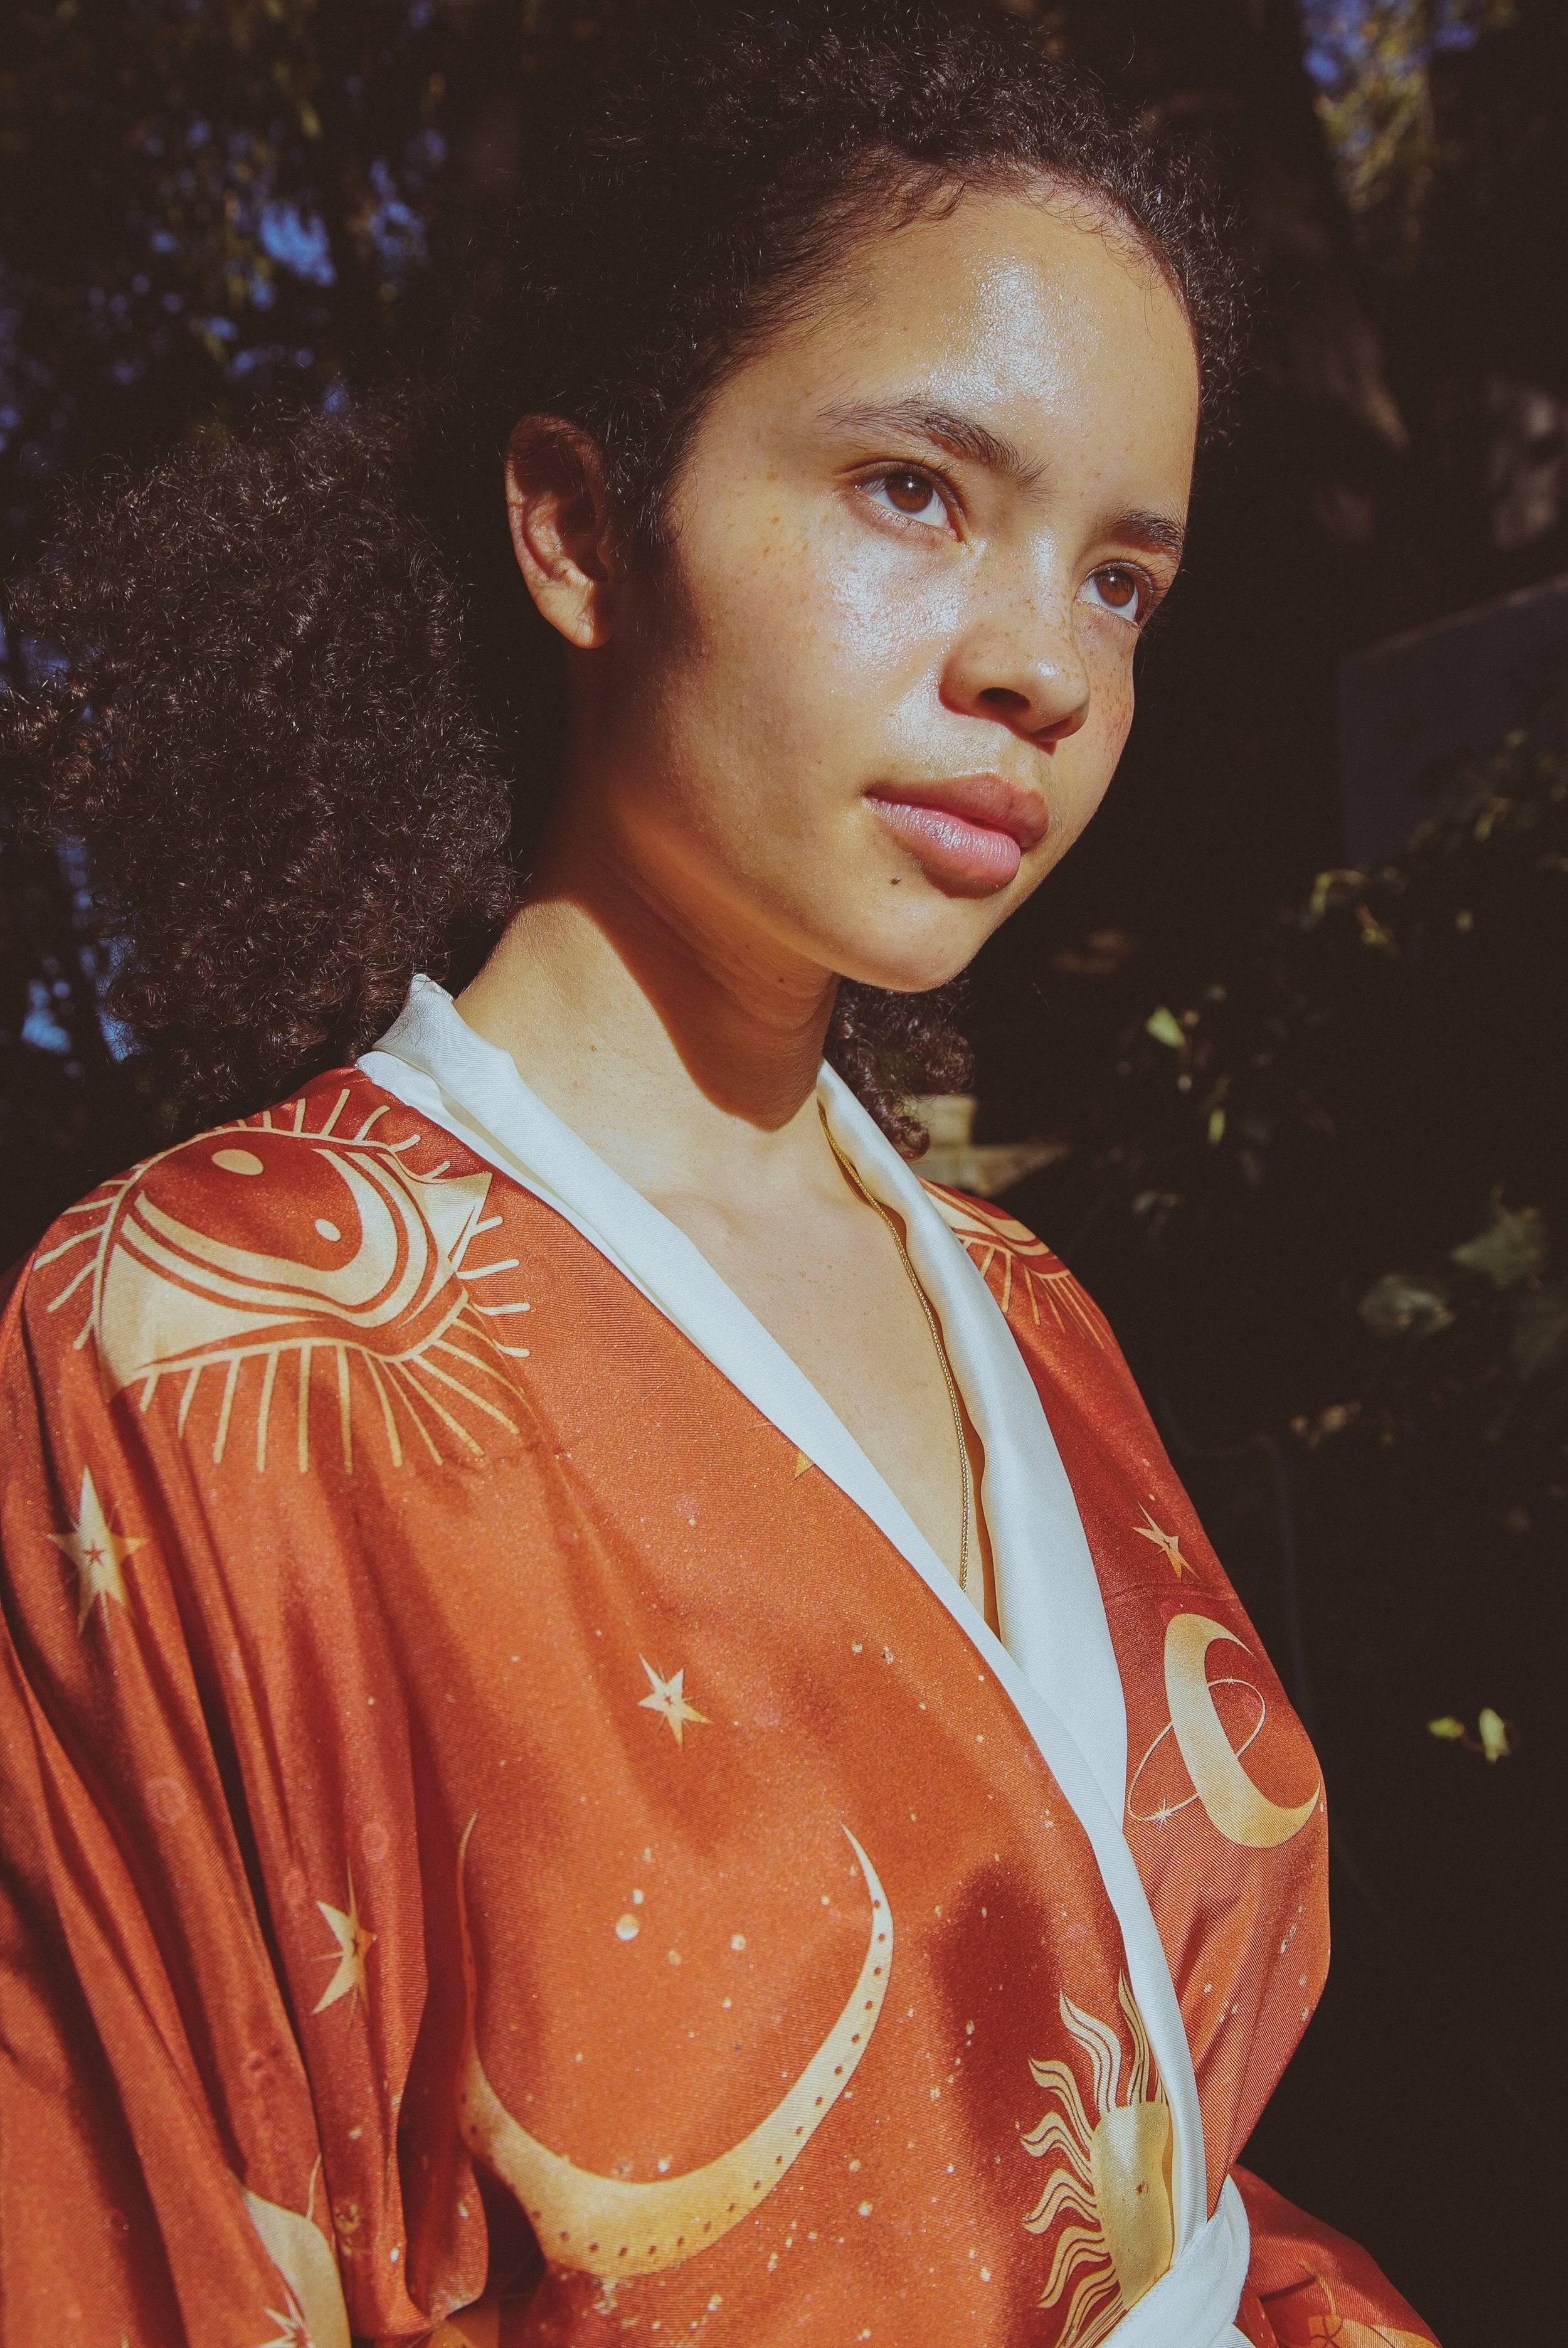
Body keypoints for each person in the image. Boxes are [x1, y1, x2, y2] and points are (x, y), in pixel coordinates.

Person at [0, 6, 1438, 2343]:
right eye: (913, 493)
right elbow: (123, 2235)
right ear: (579, 523)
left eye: (1120, 581)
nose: (1039, 670)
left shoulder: (1025, 1309)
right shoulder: (198, 1337)